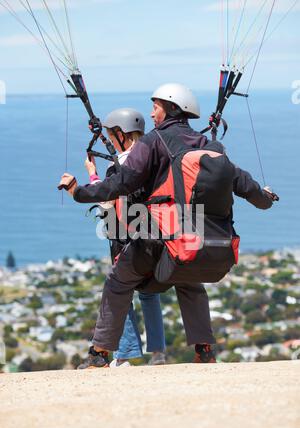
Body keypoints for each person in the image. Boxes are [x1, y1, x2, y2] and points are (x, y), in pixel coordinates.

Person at [59, 82, 276, 368]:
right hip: (193, 236)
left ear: (172, 108)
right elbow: (246, 186)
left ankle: (99, 353)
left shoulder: (153, 141)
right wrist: (267, 197)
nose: (151, 114)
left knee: (119, 281)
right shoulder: (209, 146)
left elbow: (122, 182)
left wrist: (80, 192)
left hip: (155, 235)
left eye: (156, 106)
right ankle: (204, 351)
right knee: (189, 281)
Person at [84, 108, 166, 367]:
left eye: (111, 134)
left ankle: (127, 353)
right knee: (150, 293)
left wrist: (93, 174)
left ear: (121, 134)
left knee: (122, 292)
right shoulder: (154, 159)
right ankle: (158, 353)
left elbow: (107, 203)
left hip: (123, 237)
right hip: (155, 233)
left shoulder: (117, 166)